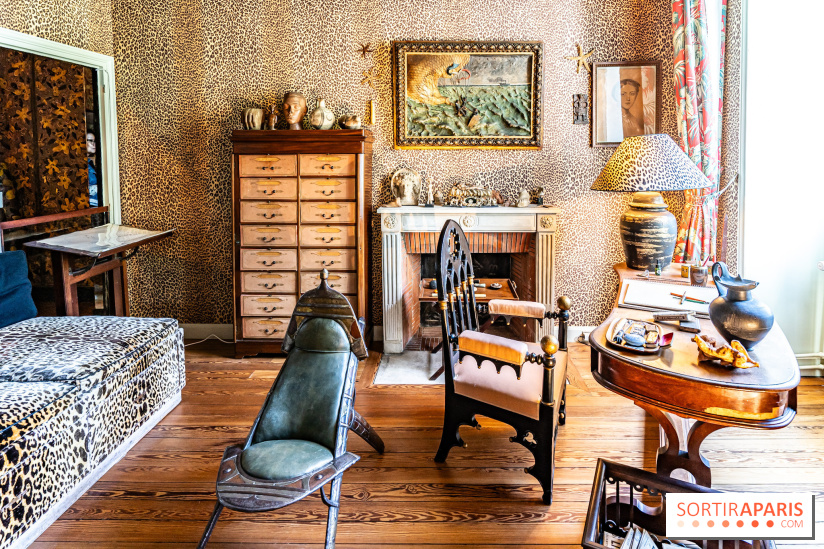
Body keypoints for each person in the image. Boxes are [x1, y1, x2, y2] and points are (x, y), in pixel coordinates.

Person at [87, 131, 98, 207]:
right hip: (90, 205)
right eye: (91, 141)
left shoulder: (90, 162)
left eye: (94, 141)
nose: (94, 144)